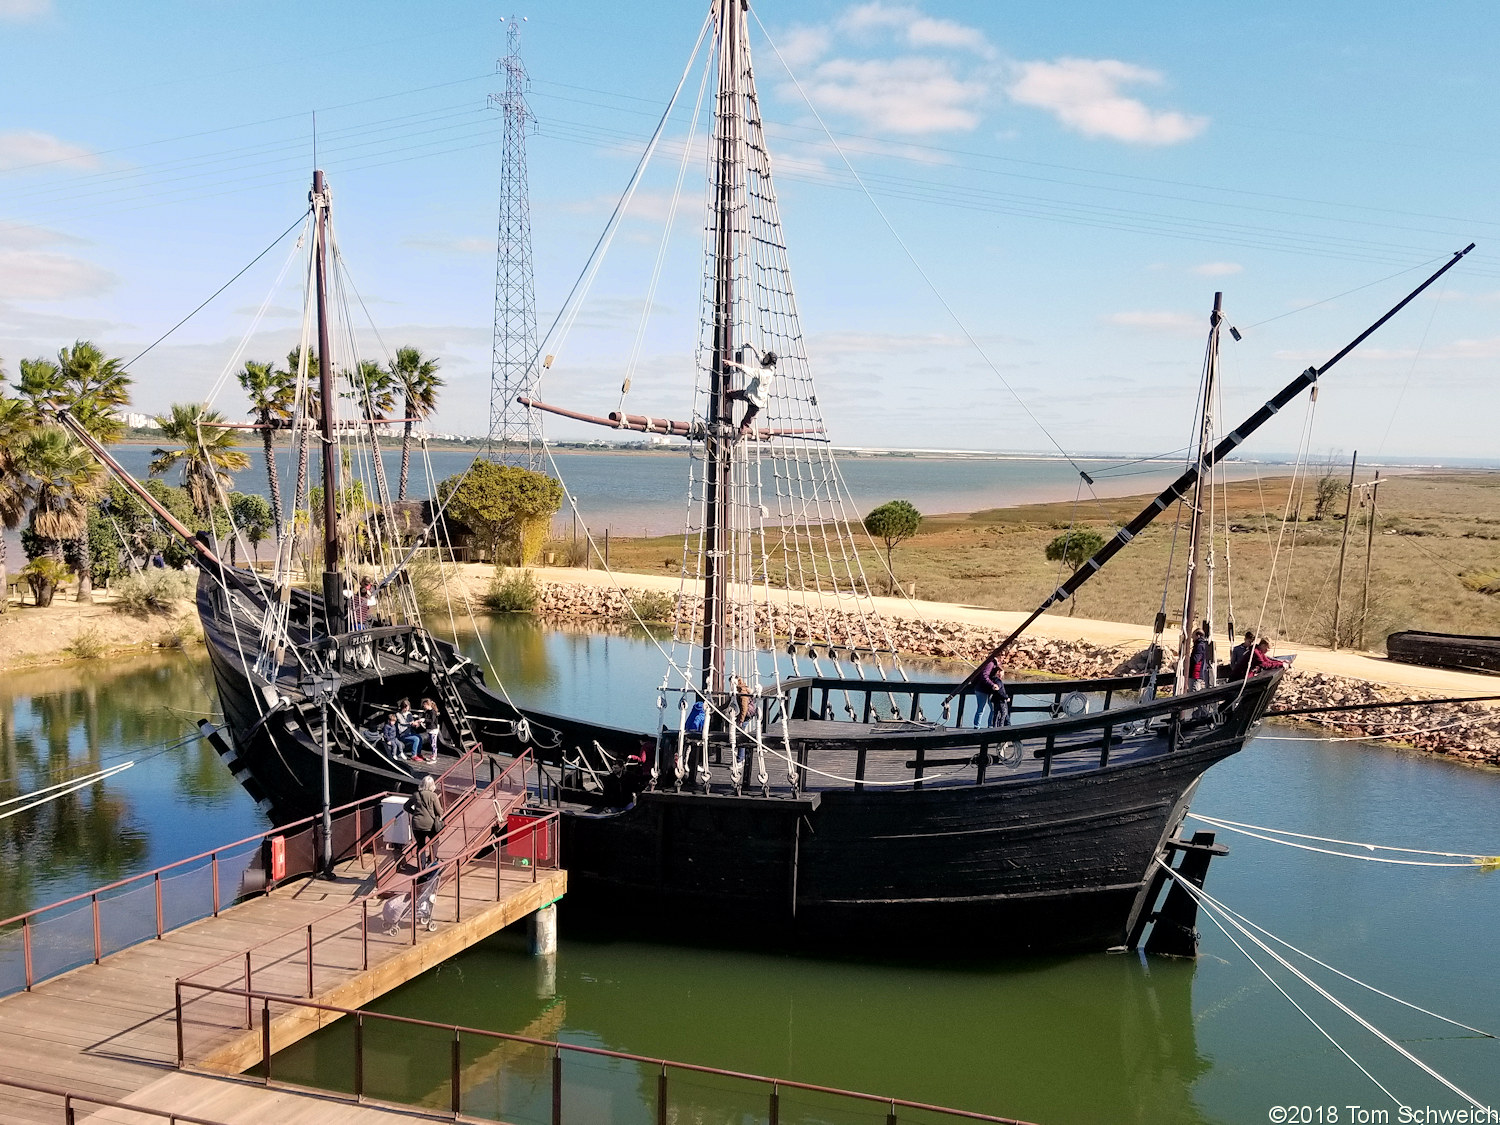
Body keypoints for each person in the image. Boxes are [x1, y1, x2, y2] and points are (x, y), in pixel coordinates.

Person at [725, 347, 777, 438]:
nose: (765, 359)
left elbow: (747, 370)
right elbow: (761, 359)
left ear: (769, 362)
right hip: (752, 397)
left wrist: (733, 363)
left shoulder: (761, 373)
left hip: (755, 402)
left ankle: (737, 440)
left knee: (744, 426)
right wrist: (753, 347)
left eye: (767, 358)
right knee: (730, 394)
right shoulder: (771, 369)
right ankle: (729, 422)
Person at [405, 774, 444, 870]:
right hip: (430, 824)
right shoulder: (433, 796)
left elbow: (406, 806)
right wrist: (438, 815)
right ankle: (432, 862)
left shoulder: (415, 795)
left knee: (420, 845)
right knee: (435, 841)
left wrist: (414, 813)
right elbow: (439, 811)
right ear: (432, 785)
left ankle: (421, 868)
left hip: (417, 824)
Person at [972, 655, 1008, 728]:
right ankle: (976, 727)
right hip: (981, 689)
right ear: (998, 656)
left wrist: (1000, 673)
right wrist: (992, 684)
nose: (1003, 657)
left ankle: (990, 726)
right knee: (981, 708)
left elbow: (994, 676)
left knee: (993, 708)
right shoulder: (990, 663)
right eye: (1002, 656)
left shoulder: (997, 664)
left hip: (989, 690)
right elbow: (984, 676)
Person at [417, 698, 442, 763]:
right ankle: (433, 755)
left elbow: (432, 720)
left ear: (428, 705)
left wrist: (424, 720)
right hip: (429, 729)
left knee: (433, 743)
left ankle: (434, 756)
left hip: (433, 729)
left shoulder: (433, 712)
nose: (424, 706)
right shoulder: (427, 711)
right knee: (431, 743)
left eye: (424, 705)